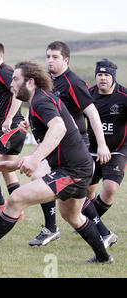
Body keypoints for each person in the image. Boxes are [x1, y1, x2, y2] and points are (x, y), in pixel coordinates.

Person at [0, 61, 114, 265]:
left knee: (16, 198)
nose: (11, 84)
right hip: (74, 169)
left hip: (73, 172)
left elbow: (59, 129)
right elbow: (51, 139)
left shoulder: (41, 101)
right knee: (73, 217)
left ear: (30, 82)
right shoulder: (41, 99)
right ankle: (104, 257)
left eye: (16, 79)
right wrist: (16, 163)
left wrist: (35, 159)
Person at [28, 41, 111, 247]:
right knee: (74, 196)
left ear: (66, 60)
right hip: (56, 144)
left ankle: (51, 228)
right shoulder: (49, 81)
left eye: (55, 57)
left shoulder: (73, 82)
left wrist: (101, 144)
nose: (50, 60)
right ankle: (104, 232)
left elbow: (91, 113)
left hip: (74, 144)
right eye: (47, 56)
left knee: (41, 177)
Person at [86, 59, 126, 246]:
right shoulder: (88, 94)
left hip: (117, 150)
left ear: (113, 77)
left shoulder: (124, 96)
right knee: (86, 192)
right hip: (91, 151)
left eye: (106, 75)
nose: (102, 78)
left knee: (109, 189)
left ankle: (92, 224)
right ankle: (91, 222)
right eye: (100, 74)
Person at [0, 41, 26, 219]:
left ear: (1, 56)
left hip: (13, 126)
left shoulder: (5, 72)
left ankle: (0, 203)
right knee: (7, 170)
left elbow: (19, 92)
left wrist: (8, 118)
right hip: (13, 128)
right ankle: (19, 210)